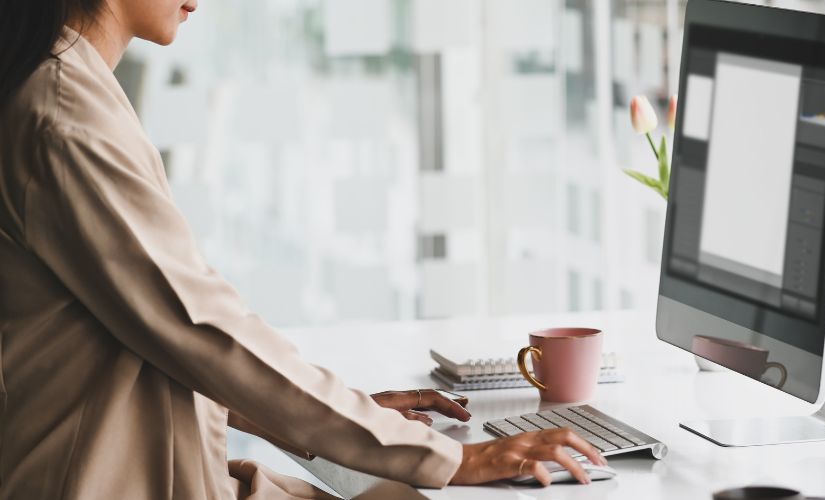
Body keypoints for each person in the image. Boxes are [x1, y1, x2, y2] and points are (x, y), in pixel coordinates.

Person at [0, 1, 606, 498]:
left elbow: (152, 338)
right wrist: (450, 458)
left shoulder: (70, 89)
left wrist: (345, 418)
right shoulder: (65, 117)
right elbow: (203, 330)